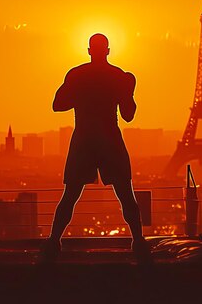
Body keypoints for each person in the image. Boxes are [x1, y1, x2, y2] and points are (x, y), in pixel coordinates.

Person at [39, 33, 151, 264]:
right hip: (110, 139)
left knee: (70, 196)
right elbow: (128, 115)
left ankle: (53, 243)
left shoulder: (77, 75)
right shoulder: (117, 76)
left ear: (89, 50)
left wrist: (79, 93)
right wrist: (128, 90)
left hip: (84, 139)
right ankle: (138, 242)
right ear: (108, 50)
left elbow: (58, 105)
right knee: (126, 195)